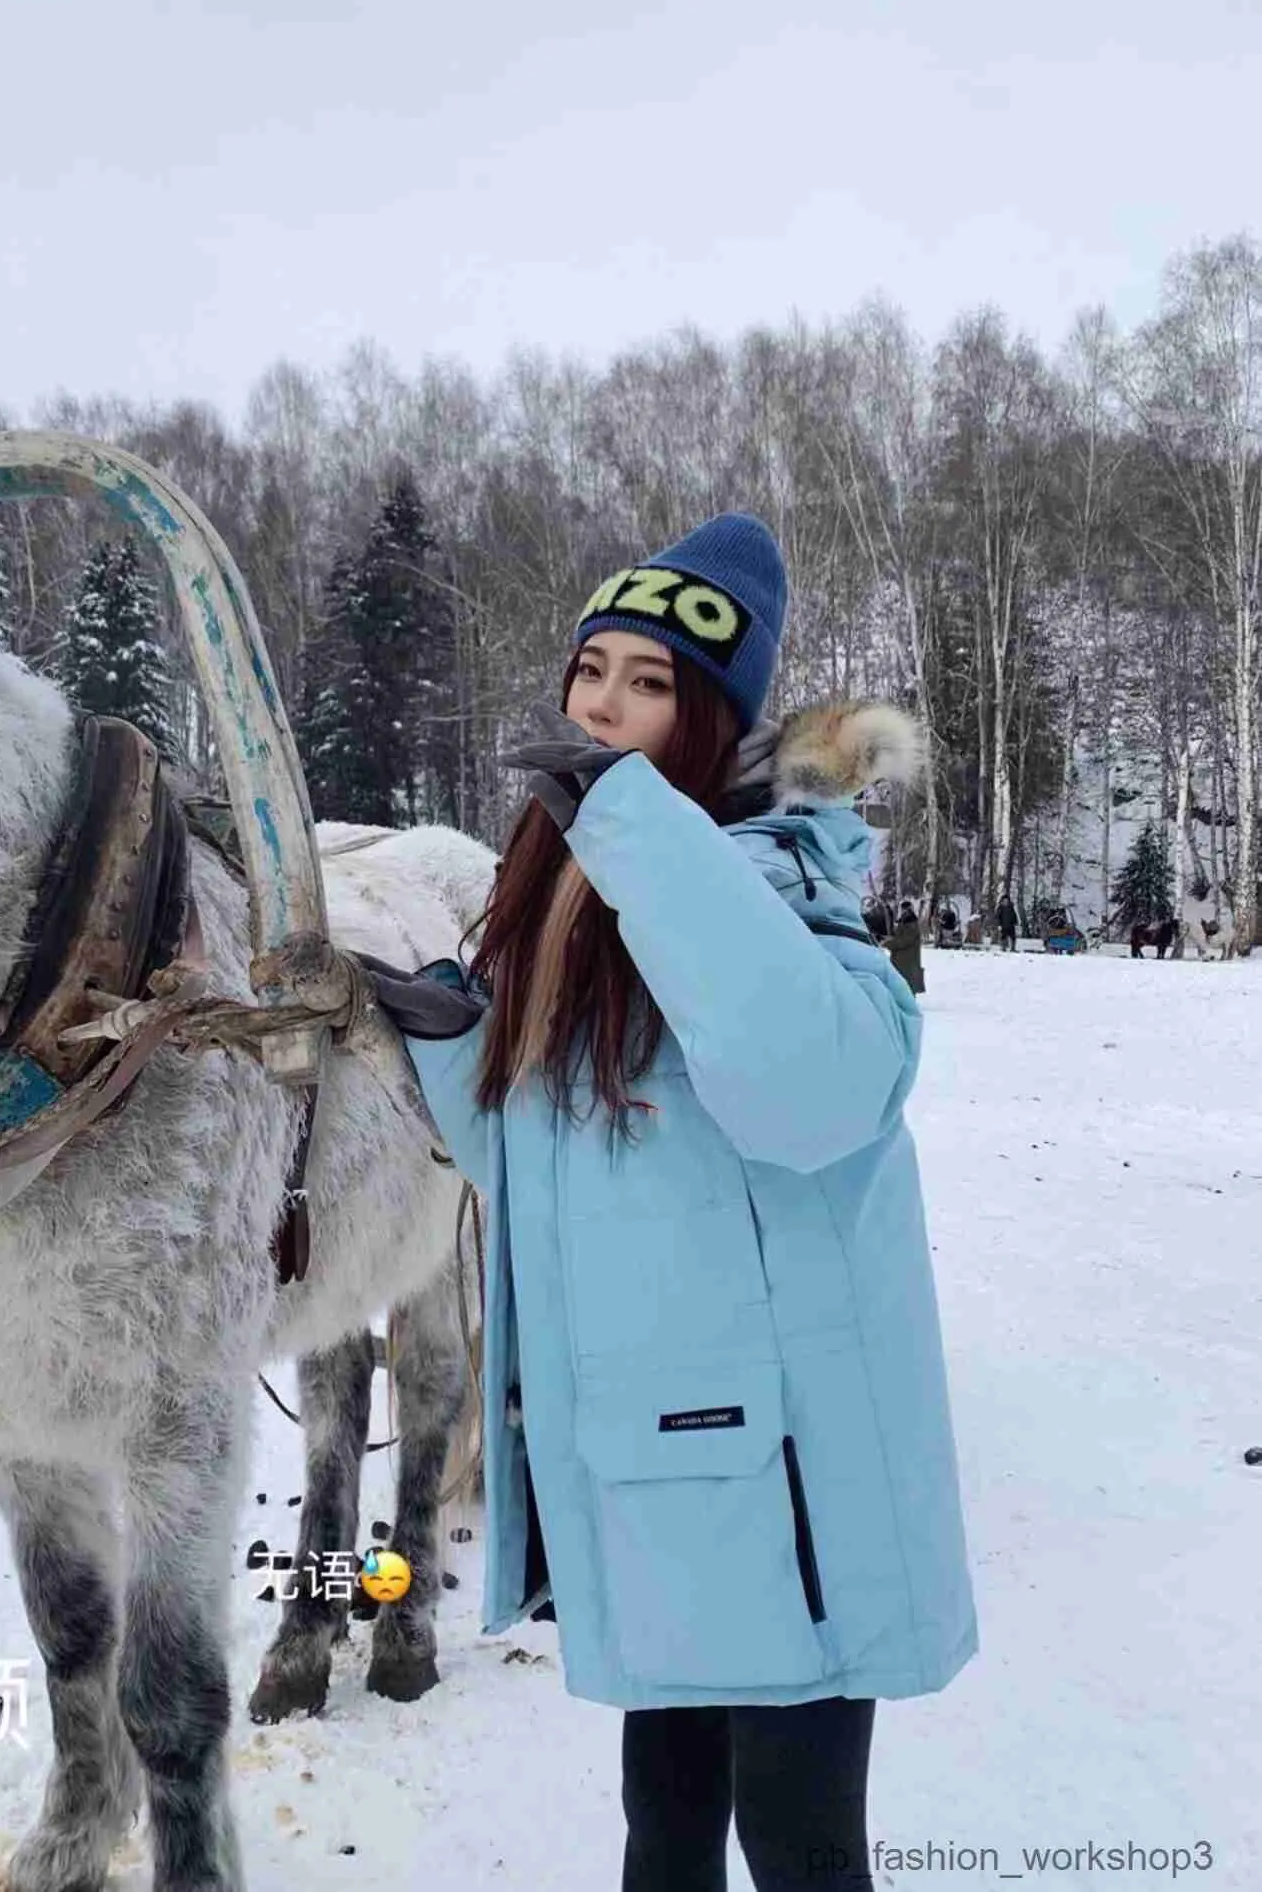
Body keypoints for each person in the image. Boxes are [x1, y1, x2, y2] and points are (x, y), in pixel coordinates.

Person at [308, 513, 976, 1892]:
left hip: (785, 1484)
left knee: (800, 1851)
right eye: (590, 667)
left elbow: (812, 1094)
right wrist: (448, 1033)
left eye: (649, 680)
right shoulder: (572, 895)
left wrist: (623, 821)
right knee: (662, 1833)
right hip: (658, 1466)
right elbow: (543, 1179)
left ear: (712, 714)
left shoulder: (780, 884)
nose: (602, 702)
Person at [884, 902, 925, 995]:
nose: (904, 912)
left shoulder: (911, 923)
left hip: (907, 961)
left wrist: (888, 943)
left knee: (907, 984)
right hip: (902, 960)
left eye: (905, 910)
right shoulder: (905, 921)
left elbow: (903, 941)